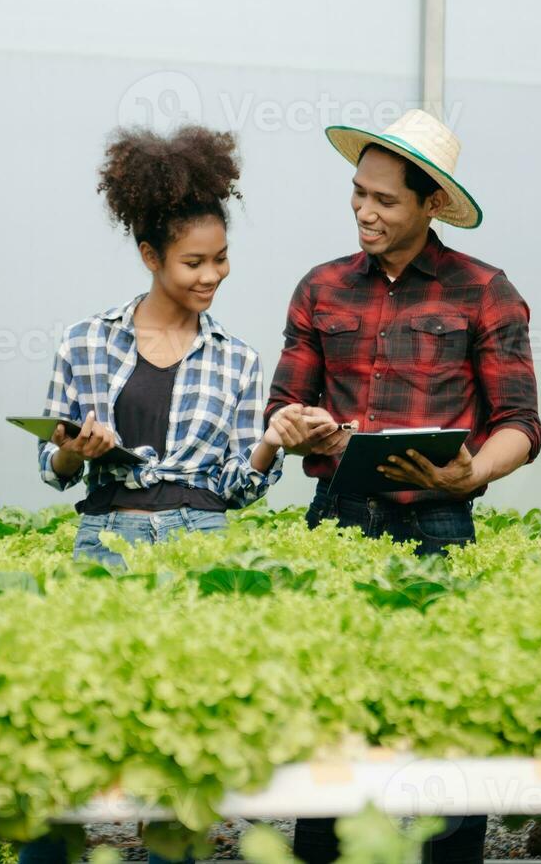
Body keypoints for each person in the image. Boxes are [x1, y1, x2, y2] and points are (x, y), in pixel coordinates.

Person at [23, 124, 325, 864]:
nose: (211, 276)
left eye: (222, 260)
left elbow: (234, 487)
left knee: (185, 737)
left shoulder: (237, 361)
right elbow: (49, 466)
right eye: (193, 261)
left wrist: (270, 441)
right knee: (75, 727)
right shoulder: (85, 343)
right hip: (108, 541)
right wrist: (72, 451)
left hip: (199, 545)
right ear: (150, 255)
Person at [266, 108, 541, 864]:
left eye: (385, 201)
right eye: (358, 193)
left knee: (446, 711)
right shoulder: (320, 288)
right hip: (338, 515)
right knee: (331, 706)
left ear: (431, 205)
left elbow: (521, 424)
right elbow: (280, 406)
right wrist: (299, 426)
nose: (365, 211)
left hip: (438, 525)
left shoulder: (485, 290)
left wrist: (473, 471)